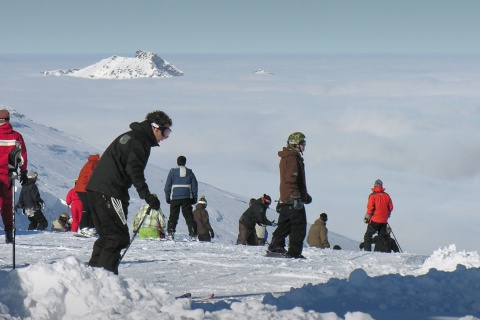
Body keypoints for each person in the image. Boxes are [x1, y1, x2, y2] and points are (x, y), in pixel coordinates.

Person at [86, 110, 171, 274]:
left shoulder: (133, 136)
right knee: (117, 237)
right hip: (110, 191)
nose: (165, 137)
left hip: (97, 189)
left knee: (108, 236)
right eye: (165, 132)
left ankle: (93, 279)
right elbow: (134, 170)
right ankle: (106, 281)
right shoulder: (140, 141)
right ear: (155, 127)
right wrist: (146, 195)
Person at [268, 132, 312, 259]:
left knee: (284, 225)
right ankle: (294, 253)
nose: (304, 146)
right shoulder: (293, 158)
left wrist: (304, 196)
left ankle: (275, 247)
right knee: (299, 226)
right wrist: (296, 197)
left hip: (286, 199)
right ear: (295, 144)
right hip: (292, 199)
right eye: (302, 143)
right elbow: (292, 179)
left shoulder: (287, 157)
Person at [0, 108, 28, 243]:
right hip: (8, 174)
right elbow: (22, 156)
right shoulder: (16, 136)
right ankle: (9, 232)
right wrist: (23, 171)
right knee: (6, 204)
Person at [164, 155, 198, 240]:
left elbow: (167, 186)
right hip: (187, 198)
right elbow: (194, 186)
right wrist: (194, 198)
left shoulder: (172, 172)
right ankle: (193, 233)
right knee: (189, 216)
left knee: (173, 216)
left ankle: (171, 232)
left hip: (175, 198)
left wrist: (168, 197)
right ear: (185, 162)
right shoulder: (190, 173)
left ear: (177, 162)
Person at [362, 179, 394, 252]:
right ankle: (384, 251)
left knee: (368, 235)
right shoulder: (387, 195)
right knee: (383, 236)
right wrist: (387, 214)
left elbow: (370, 208)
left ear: (375, 186)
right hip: (384, 220)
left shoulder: (372, 195)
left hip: (375, 219)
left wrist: (367, 218)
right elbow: (391, 207)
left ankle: (367, 251)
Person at [75, 154, 100, 235]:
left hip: (84, 188)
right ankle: (84, 227)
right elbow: (91, 175)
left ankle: (90, 227)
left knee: (91, 207)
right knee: (88, 207)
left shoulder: (93, 162)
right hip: (84, 188)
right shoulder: (93, 162)